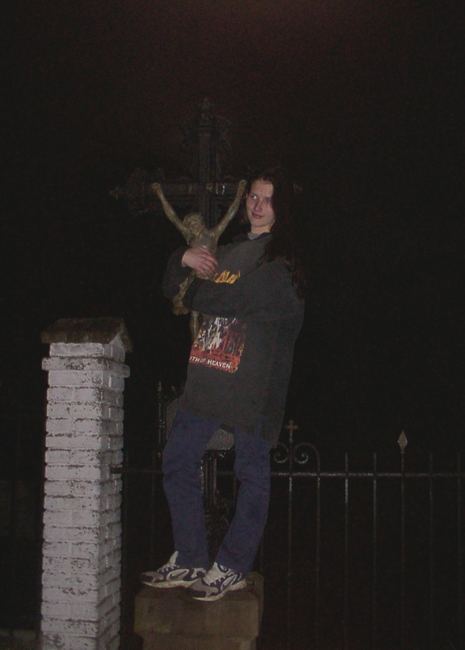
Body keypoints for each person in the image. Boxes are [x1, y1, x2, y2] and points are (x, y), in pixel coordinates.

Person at [141, 167, 305, 601]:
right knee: (177, 459)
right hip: (208, 379)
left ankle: (232, 565)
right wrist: (183, 258)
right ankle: (191, 556)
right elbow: (172, 289)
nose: (256, 204)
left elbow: (230, 299)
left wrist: (194, 291)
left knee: (251, 474)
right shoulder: (228, 252)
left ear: (282, 208)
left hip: (253, 386)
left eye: (267, 198)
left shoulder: (281, 265)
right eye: (253, 196)